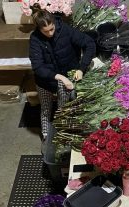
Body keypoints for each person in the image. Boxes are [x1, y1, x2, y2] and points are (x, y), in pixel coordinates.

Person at [29, 4, 96, 146]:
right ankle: (47, 137)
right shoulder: (35, 40)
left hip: (66, 78)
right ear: (39, 29)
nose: (50, 34)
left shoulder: (65, 30)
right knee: (46, 109)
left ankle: (63, 133)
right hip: (45, 81)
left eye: (52, 29)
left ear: (54, 22)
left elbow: (89, 44)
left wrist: (81, 68)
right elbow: (38, 67)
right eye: (45, 31)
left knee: (64, 108)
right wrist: (59, 77)